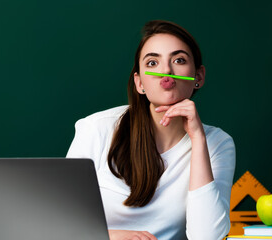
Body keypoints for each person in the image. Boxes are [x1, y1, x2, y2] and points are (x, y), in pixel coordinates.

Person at [67, 20, 236, 240]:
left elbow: (207, 236)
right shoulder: (96, 128)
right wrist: (112, 236)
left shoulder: (218, 143)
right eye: (152, 63)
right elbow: (60, 225)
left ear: (198, 77)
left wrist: (198, 140)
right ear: (139, 83)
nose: (166, 70)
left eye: (179, 60)